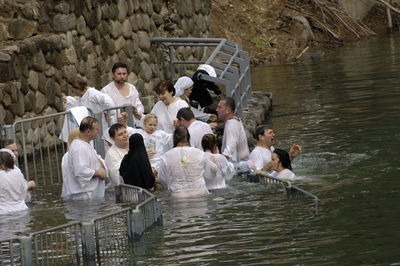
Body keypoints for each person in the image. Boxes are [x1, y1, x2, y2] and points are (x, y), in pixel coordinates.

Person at [62, 117, 107, 200]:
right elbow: (80, 171)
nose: (99, 131)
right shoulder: (79, 147)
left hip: (90, 194)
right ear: (88, 132)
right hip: (83, 196)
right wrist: (98, 173)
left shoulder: (84, 144)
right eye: (96, 129)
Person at [158, 126, 209, 198]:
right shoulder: (200, 153)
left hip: (179, 195)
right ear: (189, 137)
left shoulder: (166, 156)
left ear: (174, 139)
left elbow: (161, 179)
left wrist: (172, 183)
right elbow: (212, 170)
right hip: (200, 193)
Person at [216, 97, 249, 164]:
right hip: (242, 163)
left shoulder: (232, 124)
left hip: (239, 165)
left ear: (228, 110)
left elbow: (231, 146)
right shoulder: (234, 120)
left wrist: (220, 160)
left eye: (220, 107)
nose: (217, 110)